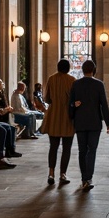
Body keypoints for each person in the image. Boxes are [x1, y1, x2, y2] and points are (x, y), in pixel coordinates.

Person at [70, 59, 109, 190]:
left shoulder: (76, 84)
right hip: (94, 123)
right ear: (94, 70)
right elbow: (104, 105)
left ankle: (83, 178)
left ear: (82, 70)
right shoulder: (99, 84)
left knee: (82, 151)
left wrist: (73, 109)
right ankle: (88, 178)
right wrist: (108, 123)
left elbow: (70, 103)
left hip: (80, 122)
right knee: (92, 151)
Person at [41, 58, 76, 186]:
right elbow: (74, 99)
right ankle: (63, 174)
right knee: (67, 148)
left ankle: (51, 173)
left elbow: (47, 98)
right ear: (68, 68)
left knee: (53, 147)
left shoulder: (51, 78)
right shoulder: (72, 80)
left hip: (54, 116)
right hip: (67, 117)